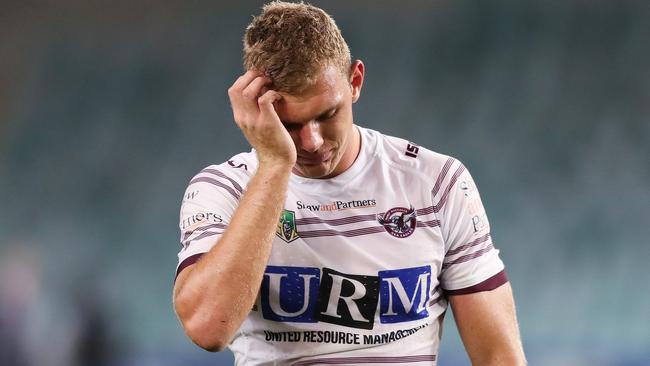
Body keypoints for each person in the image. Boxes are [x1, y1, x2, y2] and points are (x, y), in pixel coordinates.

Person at [173, 2, 526, 365]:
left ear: (355, 81)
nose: (310, 141)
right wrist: (275, 166)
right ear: (255, 109)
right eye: (290, 124)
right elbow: (207, 328)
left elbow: (500, 356)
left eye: (327, 115)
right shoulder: (225, 189)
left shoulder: (436, 183)